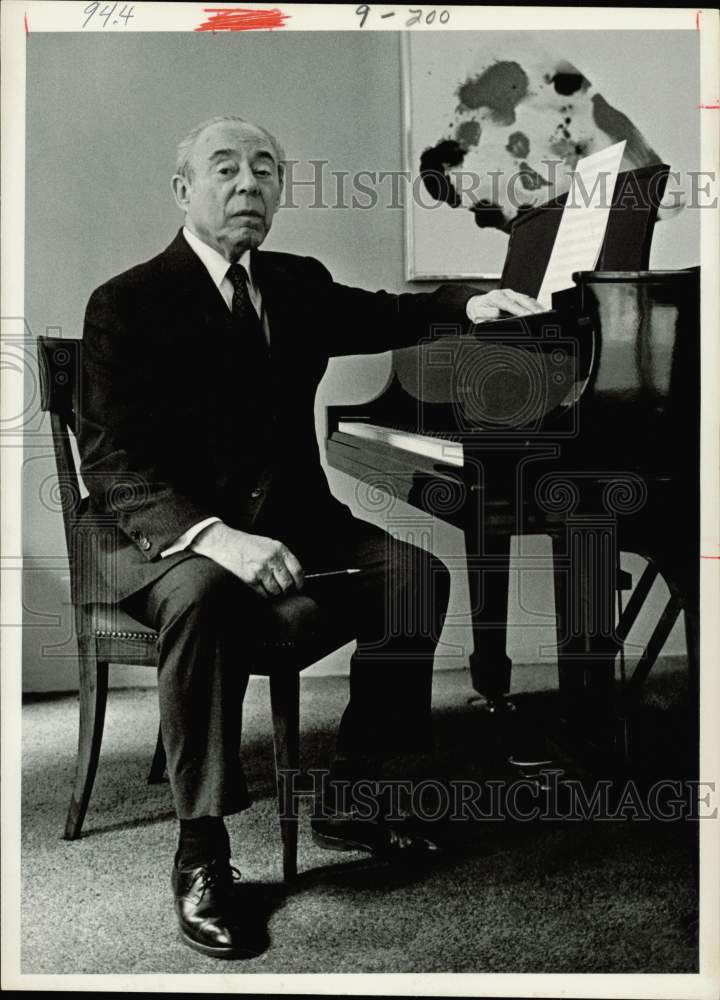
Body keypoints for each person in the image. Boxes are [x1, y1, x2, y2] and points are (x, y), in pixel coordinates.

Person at [75, 115, 544, 959]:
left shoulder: (294, 284)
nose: (249, 184)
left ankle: (357, 795)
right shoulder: (125, 303)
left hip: (293, 525)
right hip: (159, 539)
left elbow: (384, 313)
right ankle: (202, 853)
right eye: (225, 169)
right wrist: (215, 537)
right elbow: (111, 466)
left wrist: (467, 301)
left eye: (266, 169)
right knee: (204, 592)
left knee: (415, 575)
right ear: (184, 190)